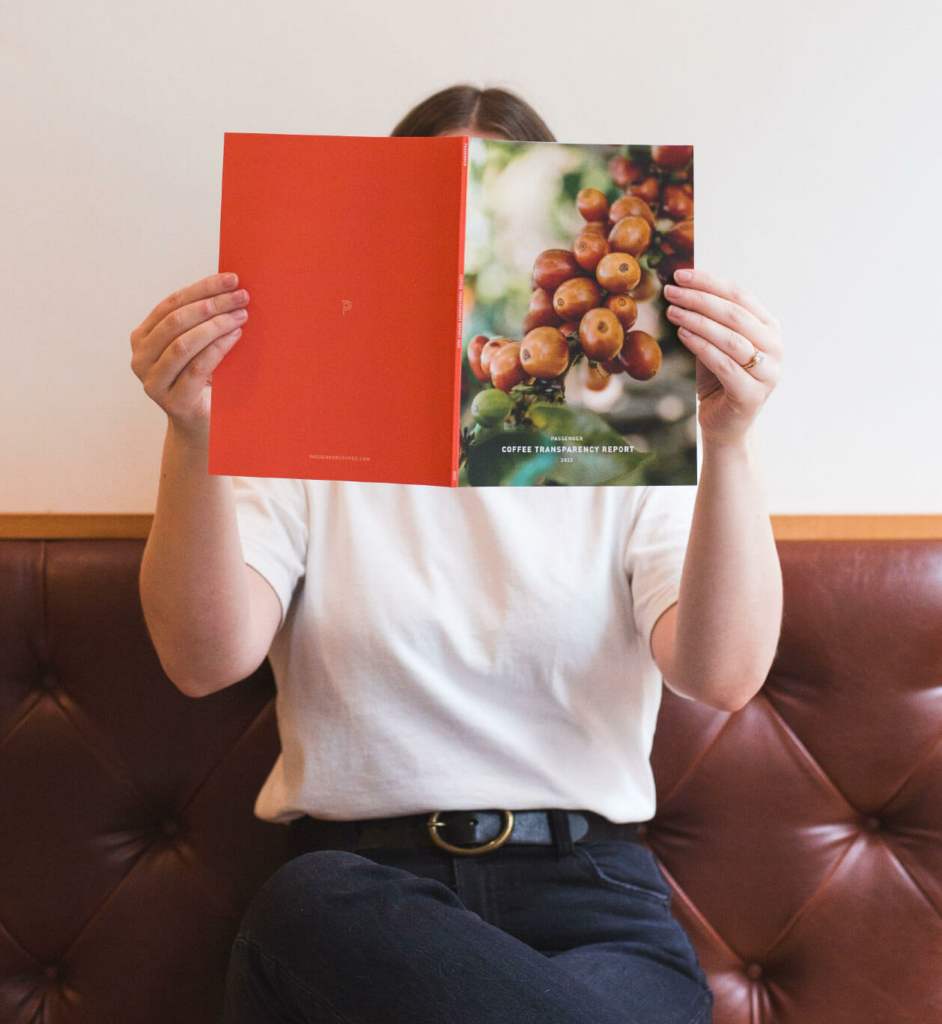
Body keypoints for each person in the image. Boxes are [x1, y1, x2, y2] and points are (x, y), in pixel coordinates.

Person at [130, 84, 783, 1024]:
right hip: (358, 911)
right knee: (311, 902)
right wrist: (193, 432)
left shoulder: (631, 445)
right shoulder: (302, 437)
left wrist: (728, 443)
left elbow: (722, 675)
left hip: (592, 905)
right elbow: (202, 662)